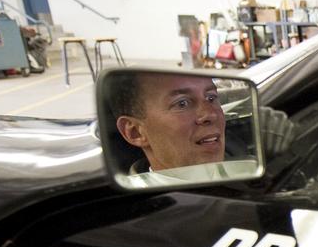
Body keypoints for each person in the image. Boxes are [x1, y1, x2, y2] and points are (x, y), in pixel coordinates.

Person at [112, 73, 264, 186]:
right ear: (135, 132)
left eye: (211, 98)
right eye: (182, 103)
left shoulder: (253, 171)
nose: (210, 114)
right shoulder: (135, 212)